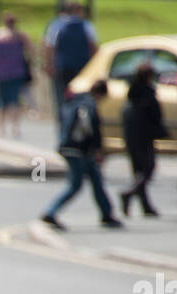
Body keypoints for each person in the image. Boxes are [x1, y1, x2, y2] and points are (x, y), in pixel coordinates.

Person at [41, 79, 122, 230]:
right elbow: (90, 129)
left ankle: (107, 214)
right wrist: (97, 149)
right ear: (100, 94)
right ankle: (50, 213)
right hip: (78, 149)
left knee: (97, 180)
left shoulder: (75, 102)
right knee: (76, 185)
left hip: (70, 147)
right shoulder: (89, 105)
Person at [119, 62, 167, 217]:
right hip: (144, 137)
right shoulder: (148, 94)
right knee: (148, 169)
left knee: (138, 171)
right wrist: (161, 131)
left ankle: (146, 206)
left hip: (131, 137)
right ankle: (129, 192)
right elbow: (155, 116)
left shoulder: (131, 94)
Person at [44, 1, 97, 131]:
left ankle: (64, 128)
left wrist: (49, 65)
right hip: (82, 68)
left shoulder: (56, 24)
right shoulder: (86, 25)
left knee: (61, 100)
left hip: (62, 67)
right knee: (81, 99)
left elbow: (49, 47)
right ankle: (78, 126)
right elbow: (94, 47)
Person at [0, 12, 33, 138]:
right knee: (15, 101)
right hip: (17, 72)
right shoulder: (21, 36)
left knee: (2, 102)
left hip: (2, 73)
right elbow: (31, 51)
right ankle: (15, 128)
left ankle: (0, 128)